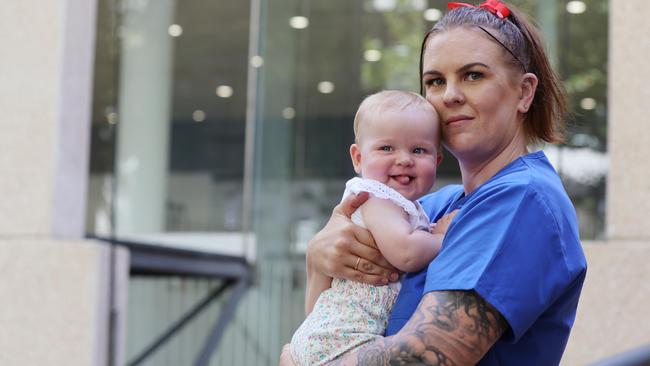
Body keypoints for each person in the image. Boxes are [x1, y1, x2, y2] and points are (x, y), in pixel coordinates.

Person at [280, 0, 587, 365]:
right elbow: (331, 317)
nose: (450, 95)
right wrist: (318, 261)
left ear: (524, 93)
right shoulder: (434, 204)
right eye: (435, 81)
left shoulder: (521, 199)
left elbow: (427, 358)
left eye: (474, 75)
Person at [290, 90, 456, 366]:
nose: (404, 159)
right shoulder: (376, 197)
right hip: (345, 338)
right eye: (386, 148)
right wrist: (442, 237)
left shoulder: (409, 206)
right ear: (358, 158)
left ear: (437, 160)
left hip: (331, 334)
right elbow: (406, 253)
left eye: (419, 150)